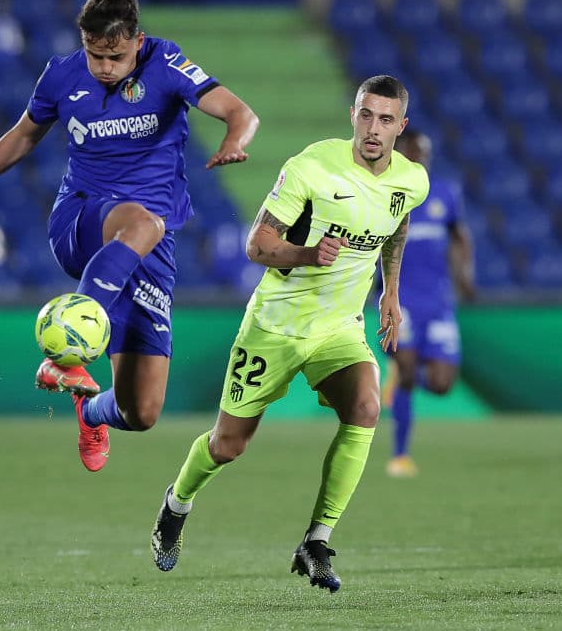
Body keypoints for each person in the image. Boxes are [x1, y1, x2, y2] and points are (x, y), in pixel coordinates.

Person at [0, 0, 259, 472]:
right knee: (143, 220)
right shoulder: (61, 74)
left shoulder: (166, 63)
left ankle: (89, 410)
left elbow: (242, 113)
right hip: (81, 219)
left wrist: (233, 140)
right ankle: (70, 345)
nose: (104, 66)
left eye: (116, 56)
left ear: (138, 42)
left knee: (140, 411)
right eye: (95, 54)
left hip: (148, 249)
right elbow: (22, 135)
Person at [149, 75, 429, 592]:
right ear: (353, 114)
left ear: (400, 126)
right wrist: (306, 254)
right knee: (229, 445)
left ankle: (317, 540)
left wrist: (391, 292)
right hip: (275, 326)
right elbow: (258, 245)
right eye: (366, 115)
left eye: (386, 120)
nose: (373, 128)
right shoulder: (311, 168)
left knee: (366, 409)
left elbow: (398, 224)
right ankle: (176, 503)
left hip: (340, 327)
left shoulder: (412, 180)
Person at [382, 130, 475, 478]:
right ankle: (400, 455)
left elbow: (460, 236)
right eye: (414, 150)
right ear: (401, 152)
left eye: (425, 152)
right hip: (400, 299)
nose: (421, 156)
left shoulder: (445, 194)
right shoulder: (386, 192)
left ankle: (399, 383)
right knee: (406, 369)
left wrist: (464, 275)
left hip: (438, 301)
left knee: (441, 384)